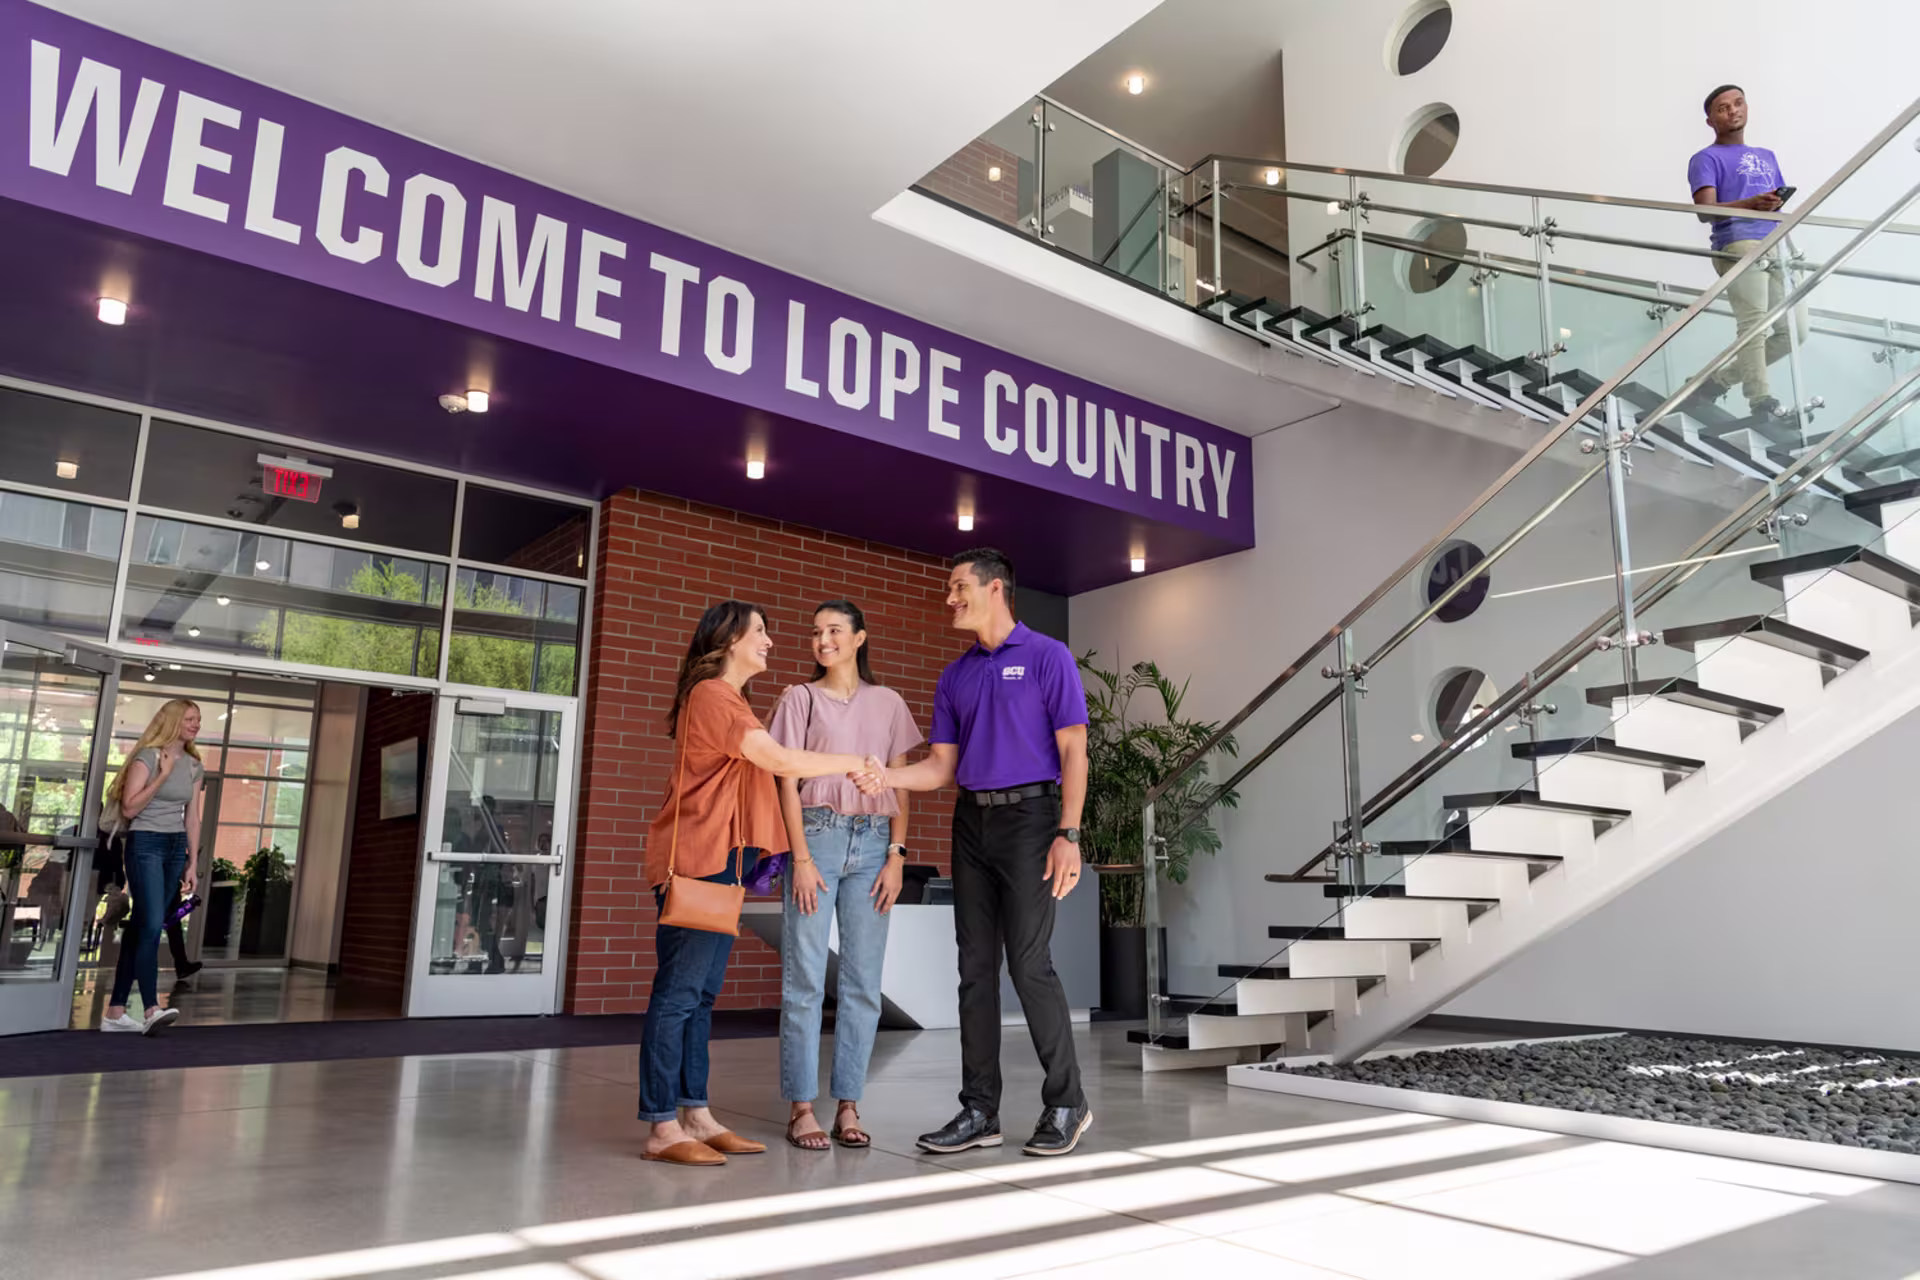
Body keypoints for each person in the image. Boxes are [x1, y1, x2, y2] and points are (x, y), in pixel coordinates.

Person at [854, 548, 1093, 1158]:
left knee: (1029, 964)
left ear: (995, 589)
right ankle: (980, 1110)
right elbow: (940, 768)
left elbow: (1074, 750)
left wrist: (1068, 834)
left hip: (1033, 821)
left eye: (959, 586)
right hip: (971, 823)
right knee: (974, 971)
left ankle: (1068, 1102)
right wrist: (886, 777)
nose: (950, 598)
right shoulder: (955, 675)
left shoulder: (1047, 656)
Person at [639, 600, 874, 1167]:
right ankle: (662, 1125)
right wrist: (853, 761)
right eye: (760, 632)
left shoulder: (730, 699)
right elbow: (778, 760)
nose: (770, 641)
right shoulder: (713, 695)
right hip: (699, 861)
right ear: (729, 641)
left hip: (721, 861)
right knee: (678, 996)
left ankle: (695, 1114)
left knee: (700, 997)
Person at [767, 599, 924, 1151]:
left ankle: (849, 1104)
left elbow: (900, 782)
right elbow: (785, 780)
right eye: (816, 632)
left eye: (834, 630)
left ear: (860, 637)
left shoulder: (889, 702)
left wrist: (897, 855)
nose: (823, 640)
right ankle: (801, 1107)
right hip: (818, 837)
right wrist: (801, 857)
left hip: (875, 842)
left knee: (862, 984)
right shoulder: (800, 698)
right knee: (806, 982)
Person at [1687, 85, 1808, 421]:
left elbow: (1774, 206)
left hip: (1777, 245)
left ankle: (1716, 382)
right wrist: (1751, 204)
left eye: (1738, 103)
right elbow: (1705, 211)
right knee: (1754, 324)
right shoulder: (1705, 159)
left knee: (1795, 331)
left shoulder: (1767, 155)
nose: (1733, 111)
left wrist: (1771, 207)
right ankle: (1760, 400)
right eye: (1723, 108)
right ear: (1711, 120)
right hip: (1737, 243)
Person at [100, 698, 205, 1034]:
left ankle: (115, 1012)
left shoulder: (194, 764)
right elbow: (130, 808)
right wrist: (163, 775)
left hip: (175, 847)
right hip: (145, 843)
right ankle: (150, 1009)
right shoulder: (147, 757)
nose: (196, 725)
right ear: (172, 721)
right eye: (189, 719)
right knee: (151, 925)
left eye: (198, 719)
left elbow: (192, 817)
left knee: (140, 927)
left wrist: (192, 862)